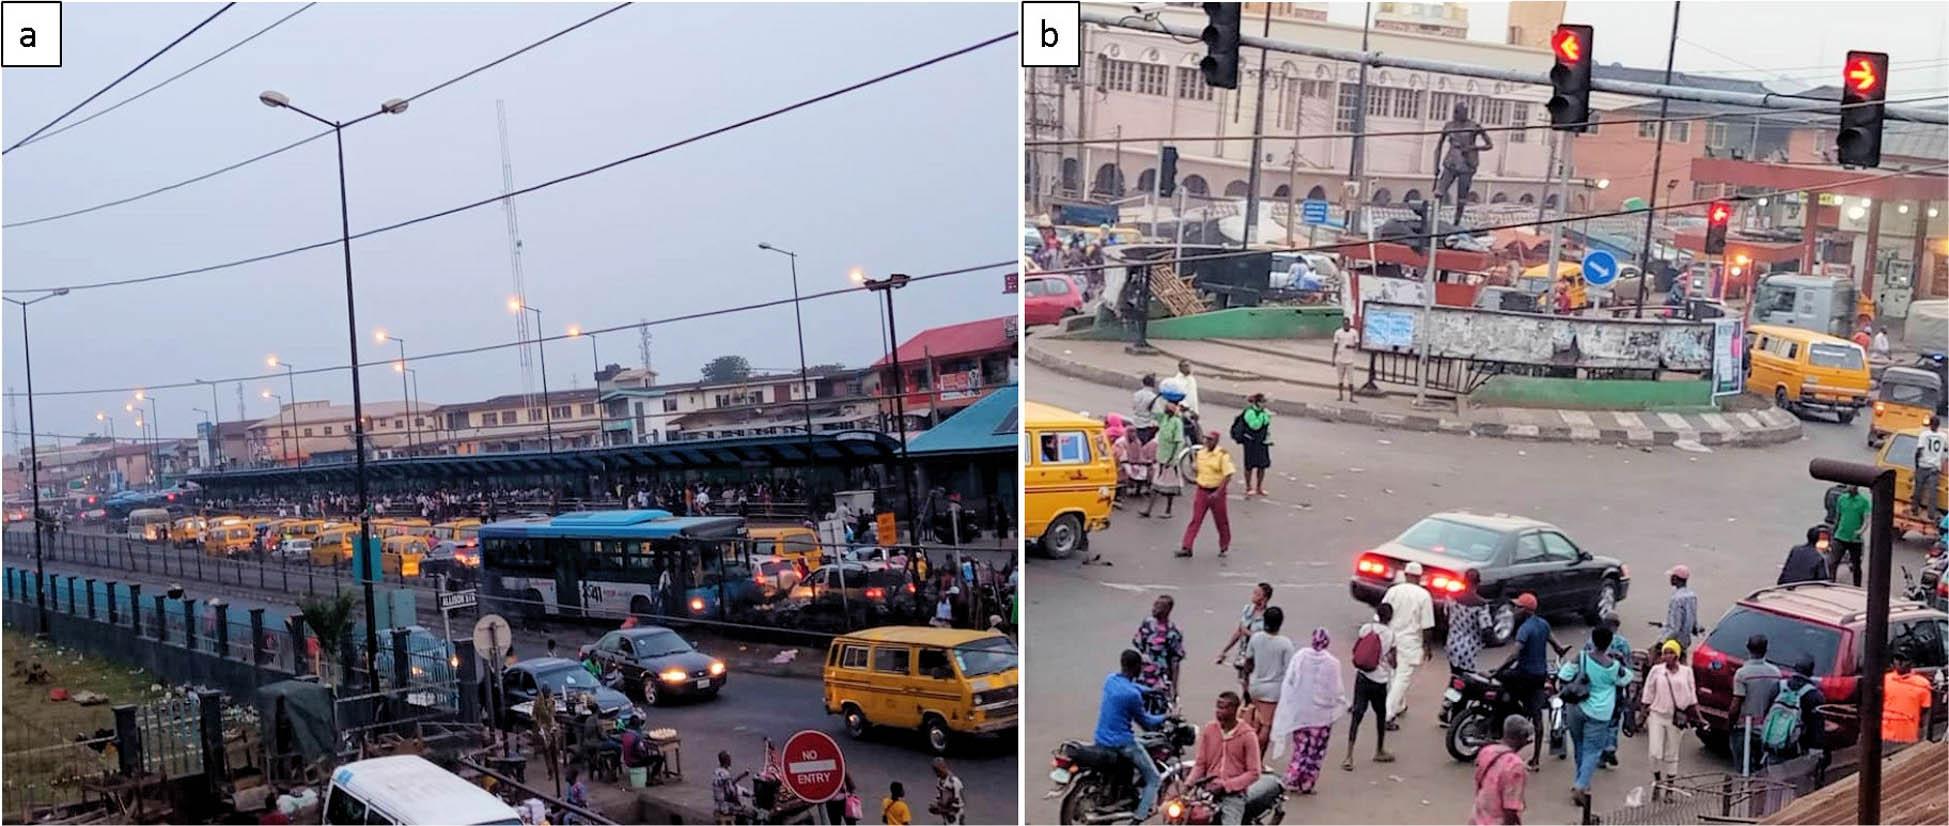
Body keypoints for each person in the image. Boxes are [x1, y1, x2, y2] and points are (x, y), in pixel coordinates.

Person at [1558, 625, 1632, 809]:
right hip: (1600, 713)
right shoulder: (1613, 666)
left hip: (1576, 707)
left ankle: (1580, 780)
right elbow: (1626, 678)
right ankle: (1581, 785)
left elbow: (1564, 674)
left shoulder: (1581, 657)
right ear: (1609, 643)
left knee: (1579, 745)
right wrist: (1620, 662)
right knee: (1592, 750)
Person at [1269, 627, 1346, 795]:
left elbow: (1291, 681)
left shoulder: (1301, 657)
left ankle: (1293, 778)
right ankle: (1307, 783)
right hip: (1322, 717)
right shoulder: (1333, 663)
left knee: (1300, 748)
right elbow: (1336, 690)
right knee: (1315, 752)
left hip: (1302, 714)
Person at [1096, 650, 1170, 824]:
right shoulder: (1132, 696)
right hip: (1121, 743)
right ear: (1136, 667)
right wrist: (1167, 717)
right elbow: (1147, 722)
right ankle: (1139, 818)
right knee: (1154, 778)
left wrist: (1152, 691)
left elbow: (1133, 687)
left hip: (1101, 738)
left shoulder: (1111, 680)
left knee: (1141, 743)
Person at [1187, 691, 1282, 825]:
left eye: (1224, 708)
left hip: (1233, 795)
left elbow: (1254, 773)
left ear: (1235, 710)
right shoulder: (1209, 730)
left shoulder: (1248, 735)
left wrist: (1226, 786)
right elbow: (1200, 764)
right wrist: (1188, 784)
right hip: (1206, 791)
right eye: (1218, 707)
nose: (1219, 711)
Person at [1499, 594, 1568, 769]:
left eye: (1517, 607)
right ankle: (1535, 759)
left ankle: (1506, 721)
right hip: (1539, 676)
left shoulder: (1525, 629)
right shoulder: (1543, 624)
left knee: (1503, 688)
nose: (1514, 610)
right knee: (1537, 717)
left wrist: (1499, 670)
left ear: (1525, 611)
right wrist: (1562, 651)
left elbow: (1515, 654)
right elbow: (1557, 646)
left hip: (1524, 674)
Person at [1639, 640, 1698, 801]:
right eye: (1665, 652)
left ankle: (1670, 788)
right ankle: (1658, 781)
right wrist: (1642, 714)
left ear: (1677, 655)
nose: (1667, 656)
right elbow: (1648, 691)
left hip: (1676, 718)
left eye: (1671, 652)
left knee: (1672, 754)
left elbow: (1692, 696)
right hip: (1657, 715)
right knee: (1654, 753)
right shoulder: (1656, 671)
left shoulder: (1686, 672)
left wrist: (1698, 717)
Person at [1381, 562, 1436, 728]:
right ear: (1419, 577)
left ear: (1405, 575)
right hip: (1410, 641)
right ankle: (1387, 714)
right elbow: (1427, 625)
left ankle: (1399, 706)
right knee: (1402, 677)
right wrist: (1427, 647)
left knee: (1393, 674)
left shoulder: (1393, 591)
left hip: (1391, 638)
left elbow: (1382, 613)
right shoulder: (1423, 595)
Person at [1343, 603, 1396, 769]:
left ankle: (1349, 756)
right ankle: (1379, 750)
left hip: (1363, 677)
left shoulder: (1366, 628)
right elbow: (1394, 662)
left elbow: (1356, 650)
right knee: (1380, 715)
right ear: (1390, 617)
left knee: (1357, 715)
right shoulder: (1390, 635)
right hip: (1379, 680)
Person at [1243, 607, 1294, 757]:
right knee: (1266, 725)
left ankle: (1248, 755)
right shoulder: (1285, 644)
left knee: (1255, 722)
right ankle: (1257, 759)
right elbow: (1289, 671)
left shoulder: (1256, 638)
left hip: (1255, 686)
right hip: (1272, 691)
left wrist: (1246, 683)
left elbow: (1248, 662)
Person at [1180, 431, 1237, 557]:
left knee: (1221, 521)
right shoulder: (1201, 453)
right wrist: (1195, 470)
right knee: (1196, 519)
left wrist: (1218, 492)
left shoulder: (1222, 455)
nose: (1207, 442)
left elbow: (1228, 475)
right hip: (1202, 490)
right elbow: (1198, 471)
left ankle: (1224, 546)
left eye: (1210, 440)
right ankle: (1187, 546)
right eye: (1206, 439)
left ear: (1216, 441)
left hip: (1217, 491)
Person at [1470, 715, 1533, 826]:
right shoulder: (1516, 766)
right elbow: (1510, 806)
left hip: (1479, 815)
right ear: (1522, 737)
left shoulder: (1487, 751)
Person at [1730, 634, 1782, 770]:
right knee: (1760, 770)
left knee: (1743, 767)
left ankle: (1744, 790)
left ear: (1748, 648)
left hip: (1744, 728)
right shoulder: (1775, 673)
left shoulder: (1742, 674)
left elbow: (1736, 704)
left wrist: (1730, 724)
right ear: (1766, 649)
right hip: (1766, 729)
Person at [1763, 655, 1826, 764]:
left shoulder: (1778, 687)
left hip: (1772, 744)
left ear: (1794, 668)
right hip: (1796, 749)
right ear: (1811, 672)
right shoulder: (1815, 696)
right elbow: (1816, 728)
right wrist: (1816, 752)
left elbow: (1766, 713)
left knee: (1771, 773)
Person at [1142, 389, 1188, 519]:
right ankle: (1149, 510)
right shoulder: (1165, 419)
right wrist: (1158, 396)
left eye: (1168, 406)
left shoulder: (1177, 422)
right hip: (1161, 457)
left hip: (1169, 460)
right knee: (1155, 486)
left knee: (1169, 489)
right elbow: (1150, 409)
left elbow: (1178, 442)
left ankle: (1167, 510)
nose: (1165, 408)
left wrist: (1172, 459)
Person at [1215, 583, 1272, 685]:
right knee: (1243, 683)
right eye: (1254, 592)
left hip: (1258, 655)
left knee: (1254, 683)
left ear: (1265, 598)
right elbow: (1238, 632)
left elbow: (1265, 638)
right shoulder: (1248, 610)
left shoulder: (1268, 616)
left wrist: (1246, 632)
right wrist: (1224, 650)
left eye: (1257, 594)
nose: (1253, 595)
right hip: (1243, 652)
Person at [1133, 595, 1186, 697]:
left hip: (1160, 678)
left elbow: (1175, 662)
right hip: (1142, 675)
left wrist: (1174, 688)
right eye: (1154, 604)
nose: (1154, 608)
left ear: (1167, 610)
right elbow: (1138, 643)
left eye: (1158, 606)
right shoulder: (1147, 623)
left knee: (1158, 707)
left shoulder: (1173, 632)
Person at [1881, 651, 1934, 745]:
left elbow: (1926, 712)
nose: (1900, 663)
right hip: (1885, 735)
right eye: (1897, 659)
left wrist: (1925, 737)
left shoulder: (1922, 683)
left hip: (1907, 736)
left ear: (1911, 663)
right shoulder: (1885, 680)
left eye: (1904, 660)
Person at [1232, 394, 1273, 498]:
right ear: (1257, 402)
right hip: (1250, 442)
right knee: (1249, 465)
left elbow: (1266, 425)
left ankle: (1259, 487)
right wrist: (1265, 416)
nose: (1264, 404)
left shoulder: (1263, 412)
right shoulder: (1249, 412)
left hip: (1262, 442)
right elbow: (1255, 425)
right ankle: (1248, 487)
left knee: (1262, 465)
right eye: (1263, 402)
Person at [1830, 485, 1870, 587]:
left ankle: (1857, 587)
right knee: (1833, 562)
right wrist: (1834, 532)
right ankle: (1830, 583)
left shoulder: (1863, 502)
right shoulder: (1842, 499)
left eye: (1852, 485)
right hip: (1840, 536)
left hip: (1855, 539)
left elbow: (1866, 519)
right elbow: (1838, 517)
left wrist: (1861, 531)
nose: (1849, 487)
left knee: (1856, 565)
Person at [1446, 591, 1491, 676]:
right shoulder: (1481, 604)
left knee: (1453, 674)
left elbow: (1445, 615)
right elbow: (1485, 627)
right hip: (1470, 648)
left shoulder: (1451, 598)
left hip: (1452, 643)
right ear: (1477, 583)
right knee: (1467, 676)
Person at [1661, 565, 1700, 650]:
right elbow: (1693, 620)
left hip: (1674, 643)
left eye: (1671, 577)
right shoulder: (1692, 596)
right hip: (1685, 642)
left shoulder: (1676, 599)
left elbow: (1675, 628)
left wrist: (1661, 642)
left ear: (1675, 578)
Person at [1917, 415, 1947, 522]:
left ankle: (1914, 509)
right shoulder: (1943, 436)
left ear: (1929, 424)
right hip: (1935, 468)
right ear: (1938, 425)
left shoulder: (1924, 434)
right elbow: (1946, 449)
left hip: (1923, 465)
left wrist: (1917, 464)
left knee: (1918, 488)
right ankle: (1931, 514)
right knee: (1933, 492)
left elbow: (1919, 450)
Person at [1331, 318, 1362, 402]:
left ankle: (1351, 397)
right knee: (1340, 379)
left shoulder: (1354, 333)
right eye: (1344, 324)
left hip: (1350, 359)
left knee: (1351, 379)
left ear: (1349, 324)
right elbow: (1335, 346)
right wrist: (1333, 359)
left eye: (1347, 324)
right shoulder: (1338, 333)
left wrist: (1351, 347)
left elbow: (1357, 345)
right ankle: (1340, 395)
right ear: (1342, 324)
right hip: (1340, 359)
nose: (1346, 326)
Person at [928, 758, 964, 825]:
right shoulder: (940, 780)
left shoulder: (954, 782)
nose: (937, 774)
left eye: (938, 771)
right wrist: (935, 805)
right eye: (935, 771)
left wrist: (940, 810)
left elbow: (957, 807)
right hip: (946, 816)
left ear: (944, 767)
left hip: (955, 818)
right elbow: (939, 796)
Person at [1132, 374, 1162, 445]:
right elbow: (1157, 412)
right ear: (1153, 385)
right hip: (1146, 425)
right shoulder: (1153, 397)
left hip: (1136, 422)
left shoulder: (1136, 394)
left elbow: (1133, 407)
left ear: (1142, 383)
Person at [711, 751, 739, 825]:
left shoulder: (716, 771)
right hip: (724, 806)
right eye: (729, 759)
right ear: (727, 761)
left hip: (717, 803)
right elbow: (731, 791)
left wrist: (742, 776)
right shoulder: (726, 774)